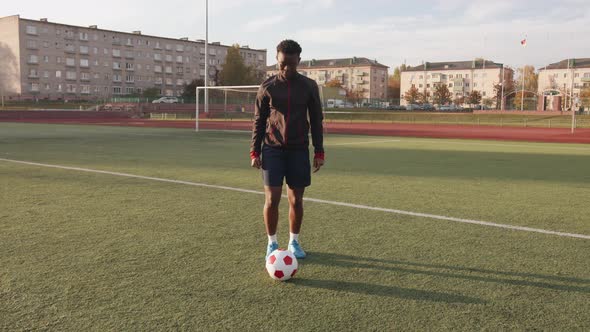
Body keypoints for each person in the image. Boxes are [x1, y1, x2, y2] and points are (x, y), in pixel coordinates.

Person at [250, 39, 325, 260]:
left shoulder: (309, 86)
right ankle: (272, 243)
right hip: (272, 149)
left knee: (296, 200)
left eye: (292, 64)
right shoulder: (267, 87)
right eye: (283, 64)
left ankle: (294, 241)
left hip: (299, 150)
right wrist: (254, 151)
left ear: (299, 61)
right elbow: (258, 120)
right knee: (272, 199)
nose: (287, 68)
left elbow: (317, 120)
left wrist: (319, 151)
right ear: (277, 60)